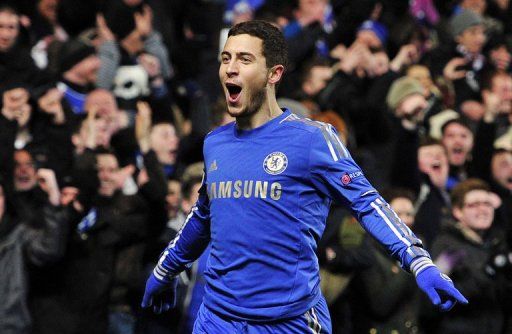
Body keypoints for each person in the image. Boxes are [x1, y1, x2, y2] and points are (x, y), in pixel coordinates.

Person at [141, 20, 467, 333]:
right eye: (226, 58)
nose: (230, 68)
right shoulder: (216, 142)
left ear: (274, 73)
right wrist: (166, 269)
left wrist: (417, 259)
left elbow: (367, 203)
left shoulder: (312, 140)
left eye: (244, 59)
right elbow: (203, 216)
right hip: (217, 320)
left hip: (287, 322)